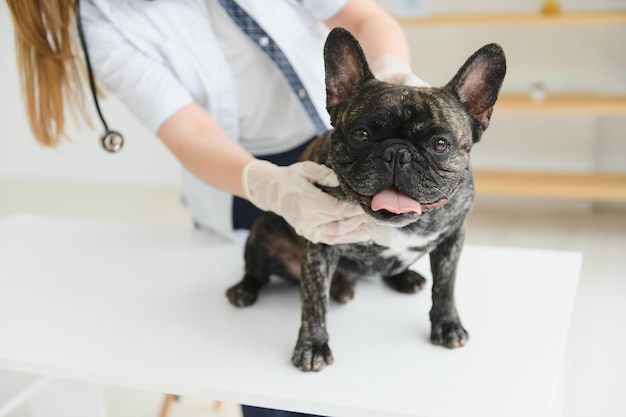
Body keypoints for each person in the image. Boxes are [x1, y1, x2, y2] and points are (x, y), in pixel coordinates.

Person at [7, 1, 426, 416]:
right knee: (269, 374)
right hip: (239, 175)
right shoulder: (102, 22)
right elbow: (189, 129)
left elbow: (363, 17)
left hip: (351, 145)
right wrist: (263, 185)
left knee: (375, 348)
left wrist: (391, 73)